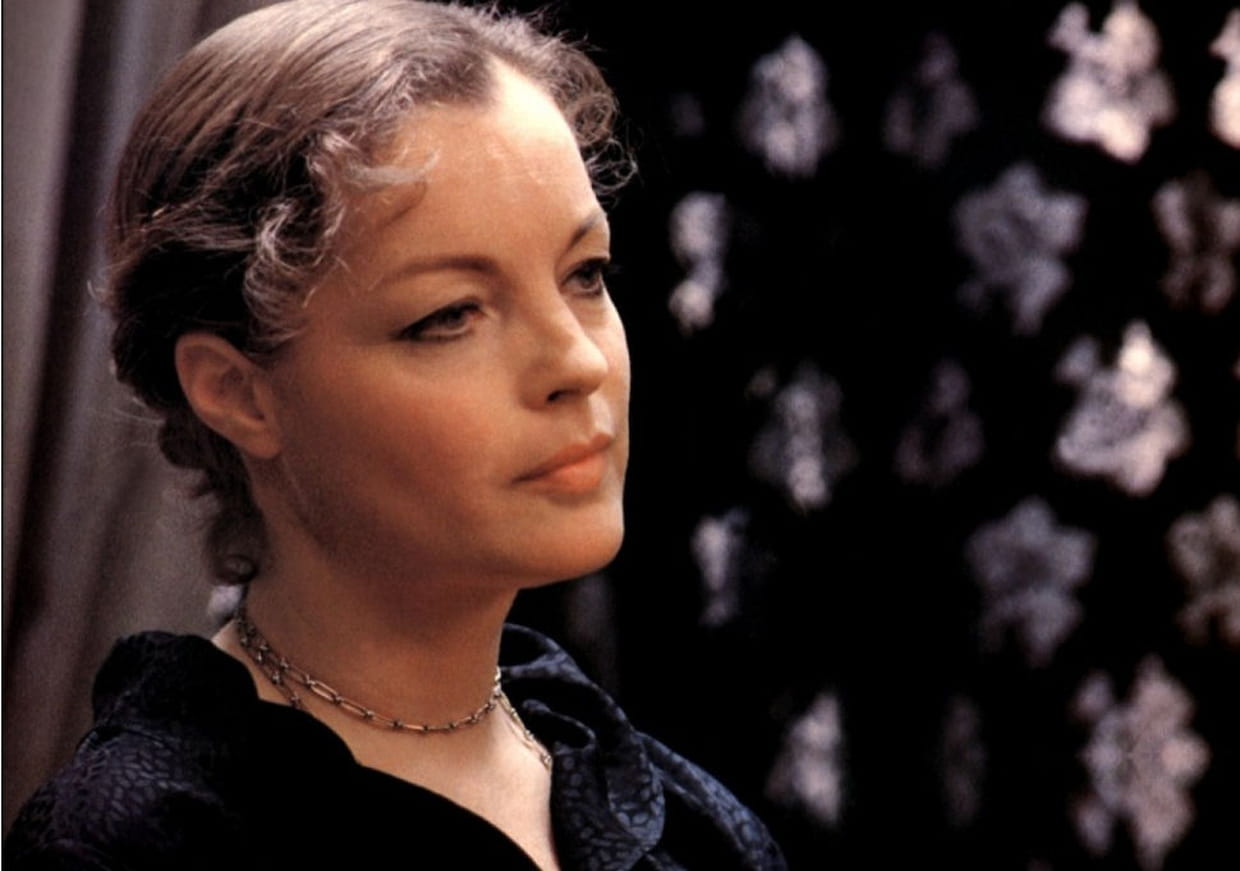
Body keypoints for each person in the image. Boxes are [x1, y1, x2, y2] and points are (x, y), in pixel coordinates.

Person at [5, 1, 786, 868]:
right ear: (239, 393)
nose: (578, 361)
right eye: (450, 315)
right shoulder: (144, 842)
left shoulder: (679, 816)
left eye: (585, 274)